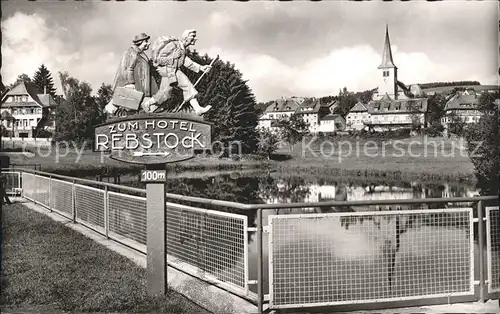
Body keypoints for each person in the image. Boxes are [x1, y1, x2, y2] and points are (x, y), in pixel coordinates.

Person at [150, 29, 212, 115]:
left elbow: (186, 62)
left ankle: (147, 104)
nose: (195, 38)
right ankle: (197, 108)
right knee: (186, 84)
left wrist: (201, 67)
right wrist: (172, 58)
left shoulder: (182, 49)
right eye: (193, 36)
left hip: (172, 72)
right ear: (186, 37)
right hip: (168, 72)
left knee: (164, 94)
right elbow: (158, 60)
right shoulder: (173, 45)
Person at [105, 33, 159, 115]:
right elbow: (127, 68)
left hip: (143, 90)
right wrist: (129, 83)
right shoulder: (131, 53)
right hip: (135, 88)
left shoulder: (141, 54)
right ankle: (107, 115)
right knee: (117, 104)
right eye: (146, 41)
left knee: (151, 109)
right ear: (140, 42)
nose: (148, 43)